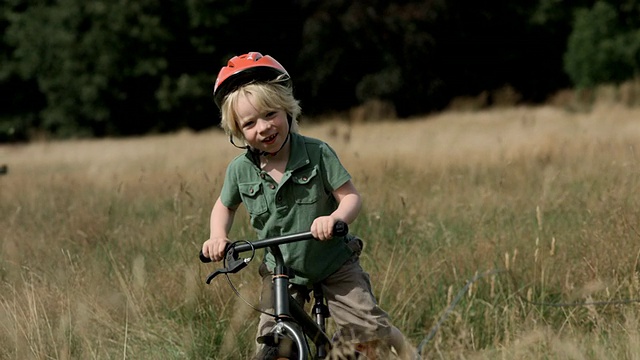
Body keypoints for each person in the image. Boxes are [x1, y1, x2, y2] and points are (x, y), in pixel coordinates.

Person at [201, 52, 412, 358]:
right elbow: (224, 206)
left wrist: (336, 217)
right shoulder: (240, 170)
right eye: (249, 123)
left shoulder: (317, 153)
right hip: (281, 270)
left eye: (270, 113)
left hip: (333, 262)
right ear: (238, 131)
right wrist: (217, 236)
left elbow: (350, 197)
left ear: (288, 110)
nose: (263, 127)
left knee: (367, 331)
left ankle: (398, 343)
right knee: (274, 339)